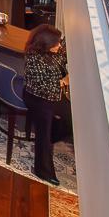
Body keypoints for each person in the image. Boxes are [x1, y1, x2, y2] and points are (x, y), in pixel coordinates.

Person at [22, 25, 68, 186]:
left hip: (53, 97)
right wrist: (64, 81)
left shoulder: (53, 52)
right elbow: (45, 87)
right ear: (45, 44)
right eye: (56, 43)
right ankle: (43, 171)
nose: (59, 46)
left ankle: (49, 139)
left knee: (70, 121)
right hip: (37, 98)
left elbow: (64, 53)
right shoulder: (33, 59)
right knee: (43, 130)